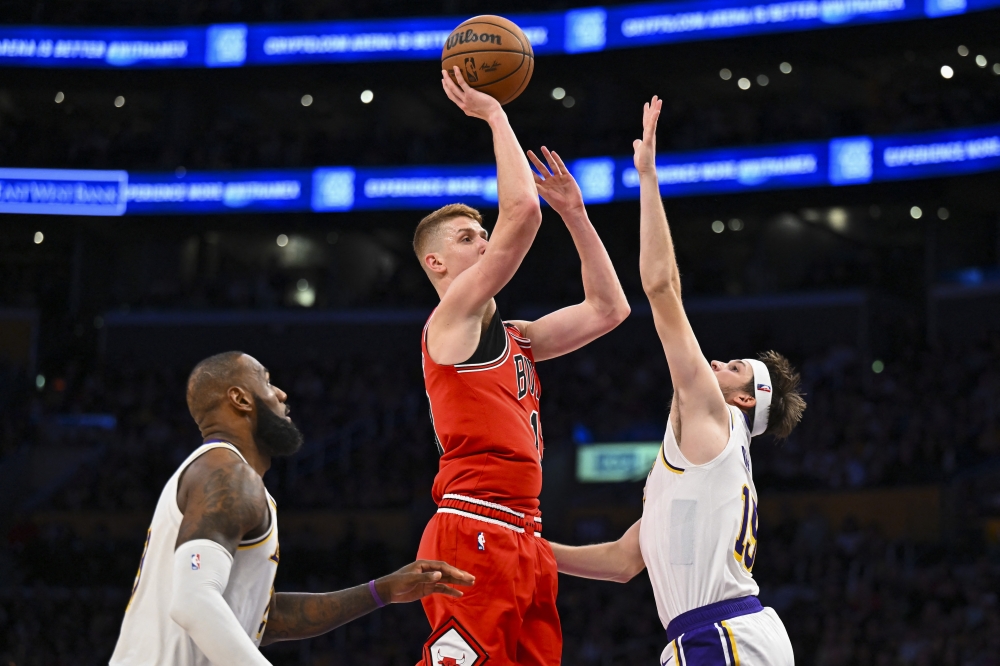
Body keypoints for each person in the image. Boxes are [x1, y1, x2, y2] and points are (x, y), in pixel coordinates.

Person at [549, 97, 807, 665]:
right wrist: (534, 552)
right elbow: (622, 561)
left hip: (721, 636)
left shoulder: (714, 420)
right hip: (711, 636)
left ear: (743, 401)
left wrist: (647, 179)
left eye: (734, 369)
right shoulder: (698, 466)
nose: (716, 363)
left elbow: (662, 290)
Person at [410, 67, 631, 665]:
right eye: (467, 237)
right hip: (472, 523)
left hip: (526, 534)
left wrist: (577, 214)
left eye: (482, 233)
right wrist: (494, 114)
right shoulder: (449, 321)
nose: (482, 242)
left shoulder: (518, 339)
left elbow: (610, 309)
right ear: (436, 263)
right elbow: (521, 215)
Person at [110, 351, 474, 666]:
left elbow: (260, 618)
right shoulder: (227, 474)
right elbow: (193, 601)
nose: (282, 394)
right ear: (240, 399)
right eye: (266, 382)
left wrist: (382, 591)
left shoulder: (221, 473)